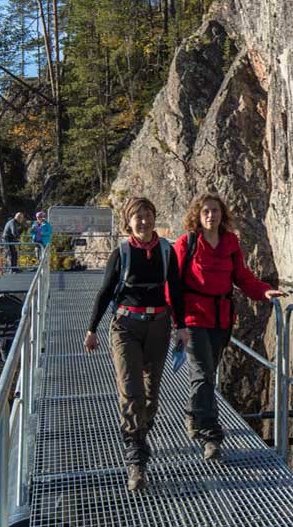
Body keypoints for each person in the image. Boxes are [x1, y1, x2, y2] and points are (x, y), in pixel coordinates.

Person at [173, 193, 285, 461]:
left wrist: (264, 291)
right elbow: (172, 285)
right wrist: (177, 324)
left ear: (222, 214)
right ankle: (211, 437)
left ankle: (192, 412)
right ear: (198, 216)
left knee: (206, 374)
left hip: (221, 319)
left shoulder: (230, 242)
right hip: (194, 317)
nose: (211, 215)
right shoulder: (187, 243)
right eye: (206, 211)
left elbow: (241, 277)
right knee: (204, 376)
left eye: (215, 211)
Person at [83, 197, 184, 491]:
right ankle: (136, 460)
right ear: (129, 222)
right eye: (138, 217)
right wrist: (91, 329)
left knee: (151, 394)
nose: (144, 221)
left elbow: (175, 291)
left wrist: (183, 327)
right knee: (131, 391)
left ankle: (141, 430)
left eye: (148, 215)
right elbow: (104, 292)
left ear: (155, 218)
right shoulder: (122, 253)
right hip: (125, 326)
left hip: (159, 326)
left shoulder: (166, 250)